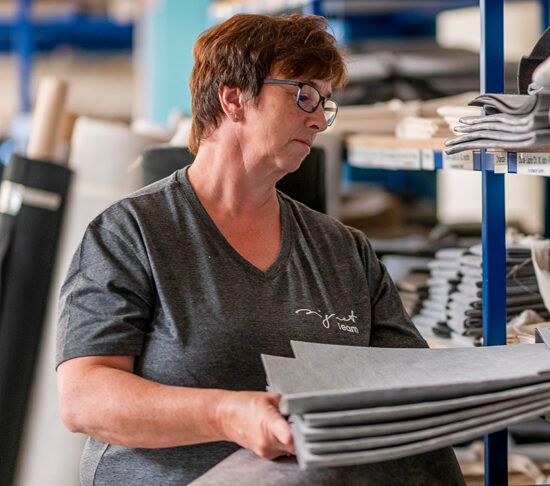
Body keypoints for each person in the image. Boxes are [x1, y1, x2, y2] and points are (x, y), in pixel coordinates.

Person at [55, 13, 464, 485]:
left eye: (325, 103)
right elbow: (84, 397)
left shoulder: (343, 250)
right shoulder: (132, 233)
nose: (318, 120)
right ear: (233, 98)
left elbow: (409, 388)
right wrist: (228, 415)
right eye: (303, 94)